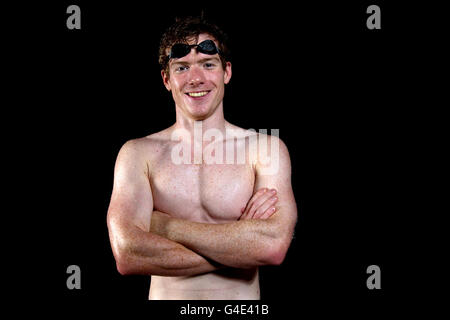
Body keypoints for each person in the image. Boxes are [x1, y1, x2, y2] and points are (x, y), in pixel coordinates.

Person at [106, 16, 297, 300]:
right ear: (166, 79)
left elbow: (272, 246)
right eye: (182, 68)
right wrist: (241, 244)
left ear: (226, 72)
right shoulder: (137, 154)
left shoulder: (265, 148)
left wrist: (164, 226)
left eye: (208, 64)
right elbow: (129, 254)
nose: (196, 78)